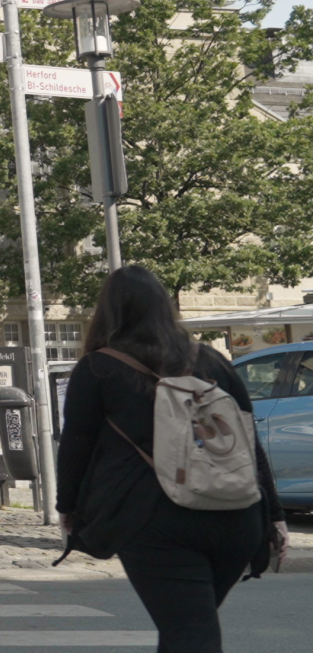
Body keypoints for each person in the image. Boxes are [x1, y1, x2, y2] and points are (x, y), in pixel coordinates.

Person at [57, 265, 287, 653]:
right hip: (235, 512)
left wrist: (69, 507)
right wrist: (274, 514)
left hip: (153, 518)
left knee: (188, 629)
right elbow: (248, 444)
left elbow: (75, 446)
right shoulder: (213, 361)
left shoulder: (98, 368)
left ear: (108, 311)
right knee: (186, 626)